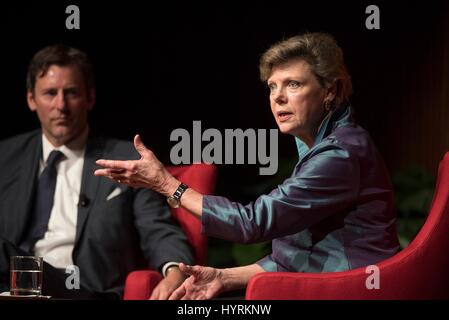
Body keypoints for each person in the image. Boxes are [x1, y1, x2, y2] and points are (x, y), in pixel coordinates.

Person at [94, 32, 400, 300]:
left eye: (293, 84)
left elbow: (252, 223)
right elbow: (299, 253)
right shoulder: (322, 144)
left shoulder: (340, 154)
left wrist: (166, 184)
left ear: (330, 90)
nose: (277, 97)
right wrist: (224, 277)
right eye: (272, 86)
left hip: (353, 290)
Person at [0, 44, 194, 299]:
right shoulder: (6, 156)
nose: (61, 105)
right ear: (31, 100)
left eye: (71, 93)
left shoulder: (126, 159)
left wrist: (174, 272)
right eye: (50, 93)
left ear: (90, 98)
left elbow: (158, 228)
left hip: (85, 291)